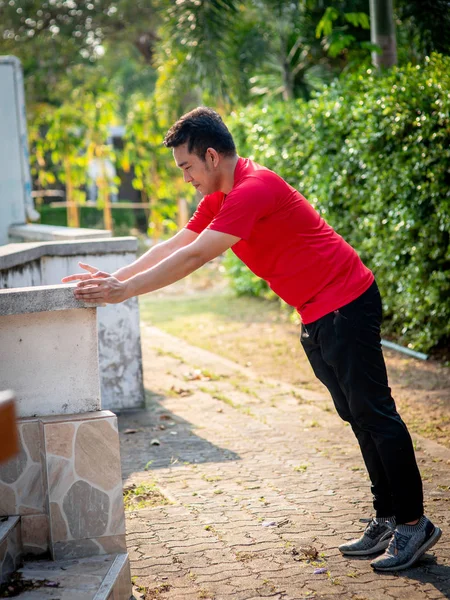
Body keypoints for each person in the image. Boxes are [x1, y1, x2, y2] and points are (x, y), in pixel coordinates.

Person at [62, 106, 441, 571]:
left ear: (212, 156)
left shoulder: (253, 188)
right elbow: (179, 242)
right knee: (357, 416)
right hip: (318, 312)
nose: (185, 178)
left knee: (376, 415)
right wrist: (116, 278)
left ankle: (414, 523)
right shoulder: (221, 194)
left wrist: (125, 292)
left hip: (347, 302)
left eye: (187, 167)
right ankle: (387, 517)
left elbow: (197, 256)